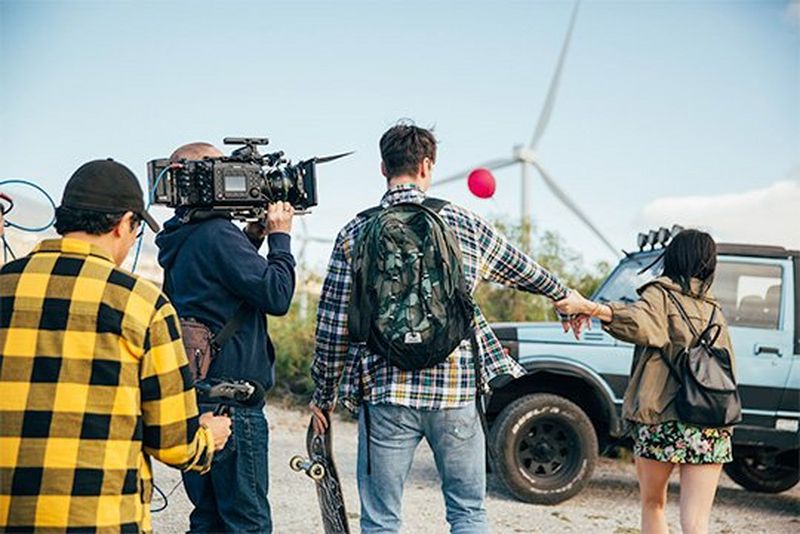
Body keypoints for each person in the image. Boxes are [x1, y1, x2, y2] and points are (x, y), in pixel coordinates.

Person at [309, 122, 574, 533]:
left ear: (383, 168)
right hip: (455, 390)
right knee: (468, 512)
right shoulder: (462, 223)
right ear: (427, 166)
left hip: (385, 392)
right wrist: (564, 295)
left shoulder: (355, 232)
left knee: (381, 518)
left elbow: (332, 325)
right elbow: (521, 268)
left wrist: (324, 395)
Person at [0, 159, 231, 532]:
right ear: (124, 224)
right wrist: (208, 437)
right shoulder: (143, 304)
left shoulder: (4, 284)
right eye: (136, 231)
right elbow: (174, 443)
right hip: (101, 519)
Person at [155, 142, 296, 533]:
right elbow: (277, 295)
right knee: (247, 523)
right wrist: (280, 238)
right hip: (233, 406)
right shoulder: (217, 233)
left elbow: (216, 288)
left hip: (198, 399)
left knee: (208, 518)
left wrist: (251, 239)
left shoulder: (179, 235)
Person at [555, 229, 735, 534]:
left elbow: (640, 322)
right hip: (710, 424)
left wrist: (590, 307)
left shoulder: (661, 294)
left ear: (673, 256)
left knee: (654, 504)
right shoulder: (714, 308)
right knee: (696, 522)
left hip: (663, 419)